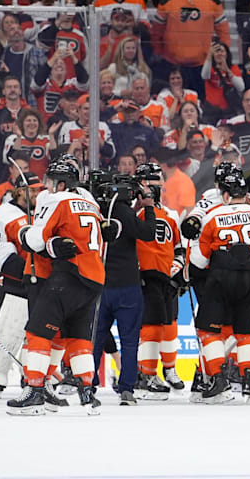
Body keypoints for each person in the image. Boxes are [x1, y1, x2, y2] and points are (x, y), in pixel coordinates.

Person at [9, 161, 106, 415]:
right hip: (94, 278)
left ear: (62, 183)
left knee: (38, 332)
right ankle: (87, 392)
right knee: (79, 338)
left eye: (52, 181)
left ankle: (35, 390)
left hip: (69, 275)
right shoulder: (90, 203)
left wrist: (25, 234)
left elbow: (34, 240)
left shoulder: (56, 199)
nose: (48, 187)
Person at [189, 169, 250, 403]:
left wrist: (199, 276)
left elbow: (199, 260)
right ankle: (248, 379)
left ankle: (219, 379)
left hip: (219, 276)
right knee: (247, 331)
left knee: (209, 330)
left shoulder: (212, 215)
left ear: (225, 194)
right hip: (249, 276)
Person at [90, 161, 158, 406]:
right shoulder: (124, 212)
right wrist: (147, 208)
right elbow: (148, 232)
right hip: (127, 285)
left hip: (100, 284)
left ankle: (88, 385)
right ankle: (127, 388)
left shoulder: (92, 210)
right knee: (129, 341)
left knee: (95, 339)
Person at [133, 162, 185, 399]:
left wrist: (174, 272)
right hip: (143, 277)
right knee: (149, 327)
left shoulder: (171, 214)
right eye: (149, 183)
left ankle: (170, 369)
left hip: (166, 279)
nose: (154, 187)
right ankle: (146, 374)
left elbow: (179, 250)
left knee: (169, 324)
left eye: (157, 183)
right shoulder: (132, 212)